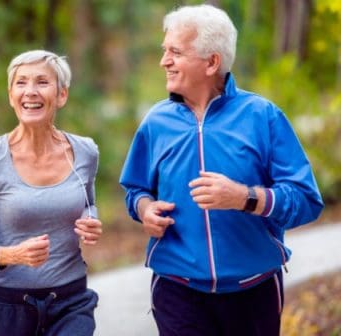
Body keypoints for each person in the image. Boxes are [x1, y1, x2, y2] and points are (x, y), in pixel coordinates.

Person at [119, 4, 324, 336]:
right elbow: (136, 190)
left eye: (175, 52)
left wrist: (245, 197)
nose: (164, 61)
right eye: (164, 51)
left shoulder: (263, 117)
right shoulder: (156, 122)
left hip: (254, 291)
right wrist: (144, 209)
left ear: (212, 62)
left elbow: (306, 200)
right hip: (177, 289)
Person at [0, 50, 102, 336]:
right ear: (11, 96)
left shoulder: (85, 151)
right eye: (21, 83)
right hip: (6, 309)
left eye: (42, 82)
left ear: (61, 95)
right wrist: (12, 254)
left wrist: (90, 221)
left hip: (70, 302)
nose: (30, 91)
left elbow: (88, 203)